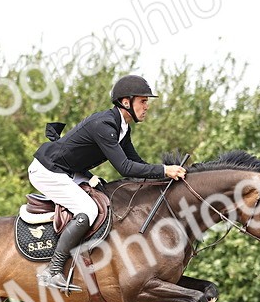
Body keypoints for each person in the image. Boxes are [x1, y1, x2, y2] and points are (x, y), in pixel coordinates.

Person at [28, 74, 187, 290]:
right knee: (88, 209)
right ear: (125, 102)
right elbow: (124, 168)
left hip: (70, 170)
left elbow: (136, 163)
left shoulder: (123, 128)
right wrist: (164, 170)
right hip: (48, 170)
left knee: (104, 194)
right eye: (143, 101)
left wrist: (164, 179)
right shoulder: (104, 125)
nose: (146, 106)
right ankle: (52, 270)